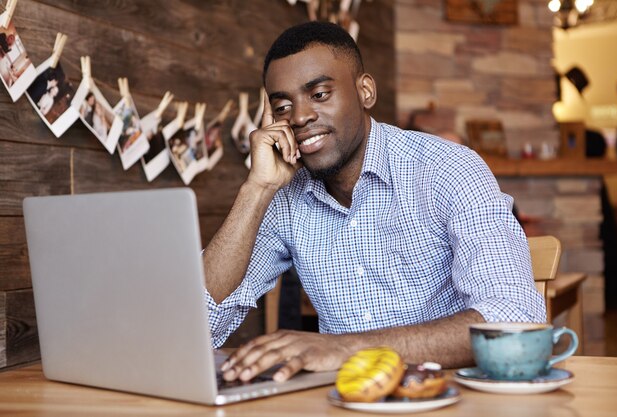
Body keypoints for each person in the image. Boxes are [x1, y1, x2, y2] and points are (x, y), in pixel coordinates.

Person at [202, 21, 544, 384]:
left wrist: (345, 348)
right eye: (283, 106)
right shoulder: (284, 197)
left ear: (365, 91)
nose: (299, 117)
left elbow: (515, 317)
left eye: (319, 94)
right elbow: (199, 323)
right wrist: (255, 189)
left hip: (452, 398)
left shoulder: (448, 170)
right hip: (346, 401)